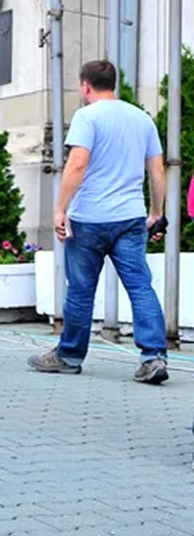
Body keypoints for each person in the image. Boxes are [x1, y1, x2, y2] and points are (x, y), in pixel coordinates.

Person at [28, 59, 170, 384]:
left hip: (89, 218)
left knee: (80, 290)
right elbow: (157, 170)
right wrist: (157, 213)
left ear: (85, 85)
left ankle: (69, 356)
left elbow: (77, 164)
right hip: (131, 217)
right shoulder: (141, 119)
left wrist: (60, 209)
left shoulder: (86, 116)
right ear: (114, 84)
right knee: (139, 286)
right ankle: (153, 357)